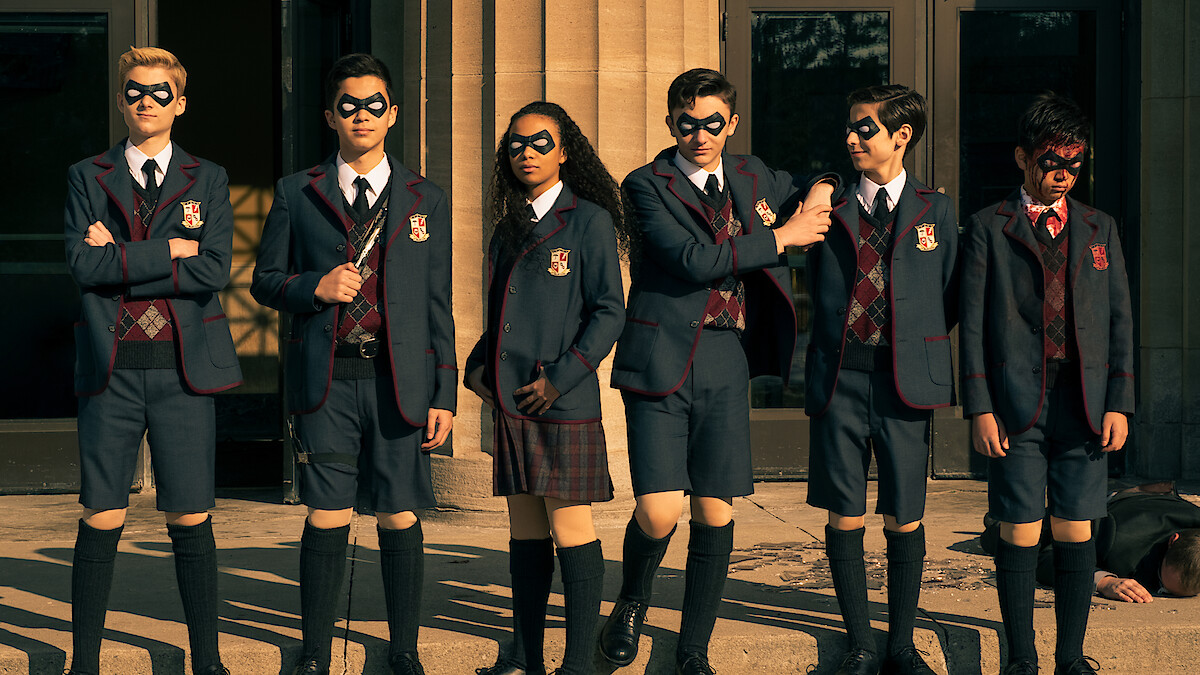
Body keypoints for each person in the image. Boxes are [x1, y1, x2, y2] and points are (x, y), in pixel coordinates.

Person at [601, 67, 837, 675]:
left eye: (712, 123)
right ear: (670, 123)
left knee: (716, 508)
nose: (700, 134)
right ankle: (631, 599)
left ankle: (693, 648)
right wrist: (782, 237)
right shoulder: (644, 184)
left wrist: (821, 190)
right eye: (687, 123)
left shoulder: (754, 173)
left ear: (730, 123)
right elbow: (690, 259)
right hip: (659, 358)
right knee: (659, 509)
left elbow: (816, 174)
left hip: (727, 357)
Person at [250, 53, 456, 675]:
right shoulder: (295, 191)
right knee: (327, 513)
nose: (361, 115)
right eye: (349, 105)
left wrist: (444, 393)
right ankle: (314, 652)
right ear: (330, 116)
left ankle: (404, 651)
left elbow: (437, 303)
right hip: (329, 377)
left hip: (401, 381)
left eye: (373, 105)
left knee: (399, 514)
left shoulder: (426, 197)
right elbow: (263, 281)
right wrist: (314, 286)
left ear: (392, 114)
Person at [63, 46, 241, 675]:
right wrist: (170, 251)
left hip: (183, 371)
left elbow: (214, 269)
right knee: (102, 512)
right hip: (111, 370)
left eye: (160, 92)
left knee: (190, 516)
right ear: (121, 100)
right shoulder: (87, 175)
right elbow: (84, 266)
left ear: (180, 104)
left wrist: (124, 258)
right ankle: (84, 662)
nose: (147, 101)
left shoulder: (209, 178)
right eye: (135, 91)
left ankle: (209, 662)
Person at [959, 93, 1135, 675]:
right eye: (1050, 161)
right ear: (1021, 158)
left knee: (1075, 525)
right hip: (1015, 405)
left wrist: (1120, 403)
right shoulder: (988, 227)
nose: (1062, 173)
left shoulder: (1098, 226)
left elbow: (1119, 322)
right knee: (1020, 524)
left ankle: (1069, 657)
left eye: (1074, 163)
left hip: (1084, 404)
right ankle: (1021, 658)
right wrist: (979, 407)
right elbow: (975, 328)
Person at [465, 100, 629, 675]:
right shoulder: (508, 224)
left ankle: (580, 664)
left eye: (539, 143)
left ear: (564, 152)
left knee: (569, 528)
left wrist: (560, 379)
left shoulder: (589, 220)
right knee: (525, 530)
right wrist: (478, 366)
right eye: (516, 144)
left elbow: (609, 312)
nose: (526, 153)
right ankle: (529, 660)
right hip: (513, 401)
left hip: (562, 398)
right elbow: (501, 312)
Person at [803, 84, 959, 675]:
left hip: (904, 383)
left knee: (905, 513)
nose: (852, 138)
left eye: (864, 128)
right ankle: (861, 643)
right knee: (845, 511)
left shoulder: (936, 210)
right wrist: (820, 182)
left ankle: (901, 643)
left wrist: (913, 344)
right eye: (850, 127)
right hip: (839, 380)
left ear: (902, 136)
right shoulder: (829, 205)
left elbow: (946, 295)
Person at [981, 489, 1200, 602]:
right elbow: (1047, 559)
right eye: (1161, 582)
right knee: (1005, 538)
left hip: (1152, 498)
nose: (1158, 591)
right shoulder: (1115, 538)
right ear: (1173, 541)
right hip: (1099, 508)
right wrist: (1103, 581)